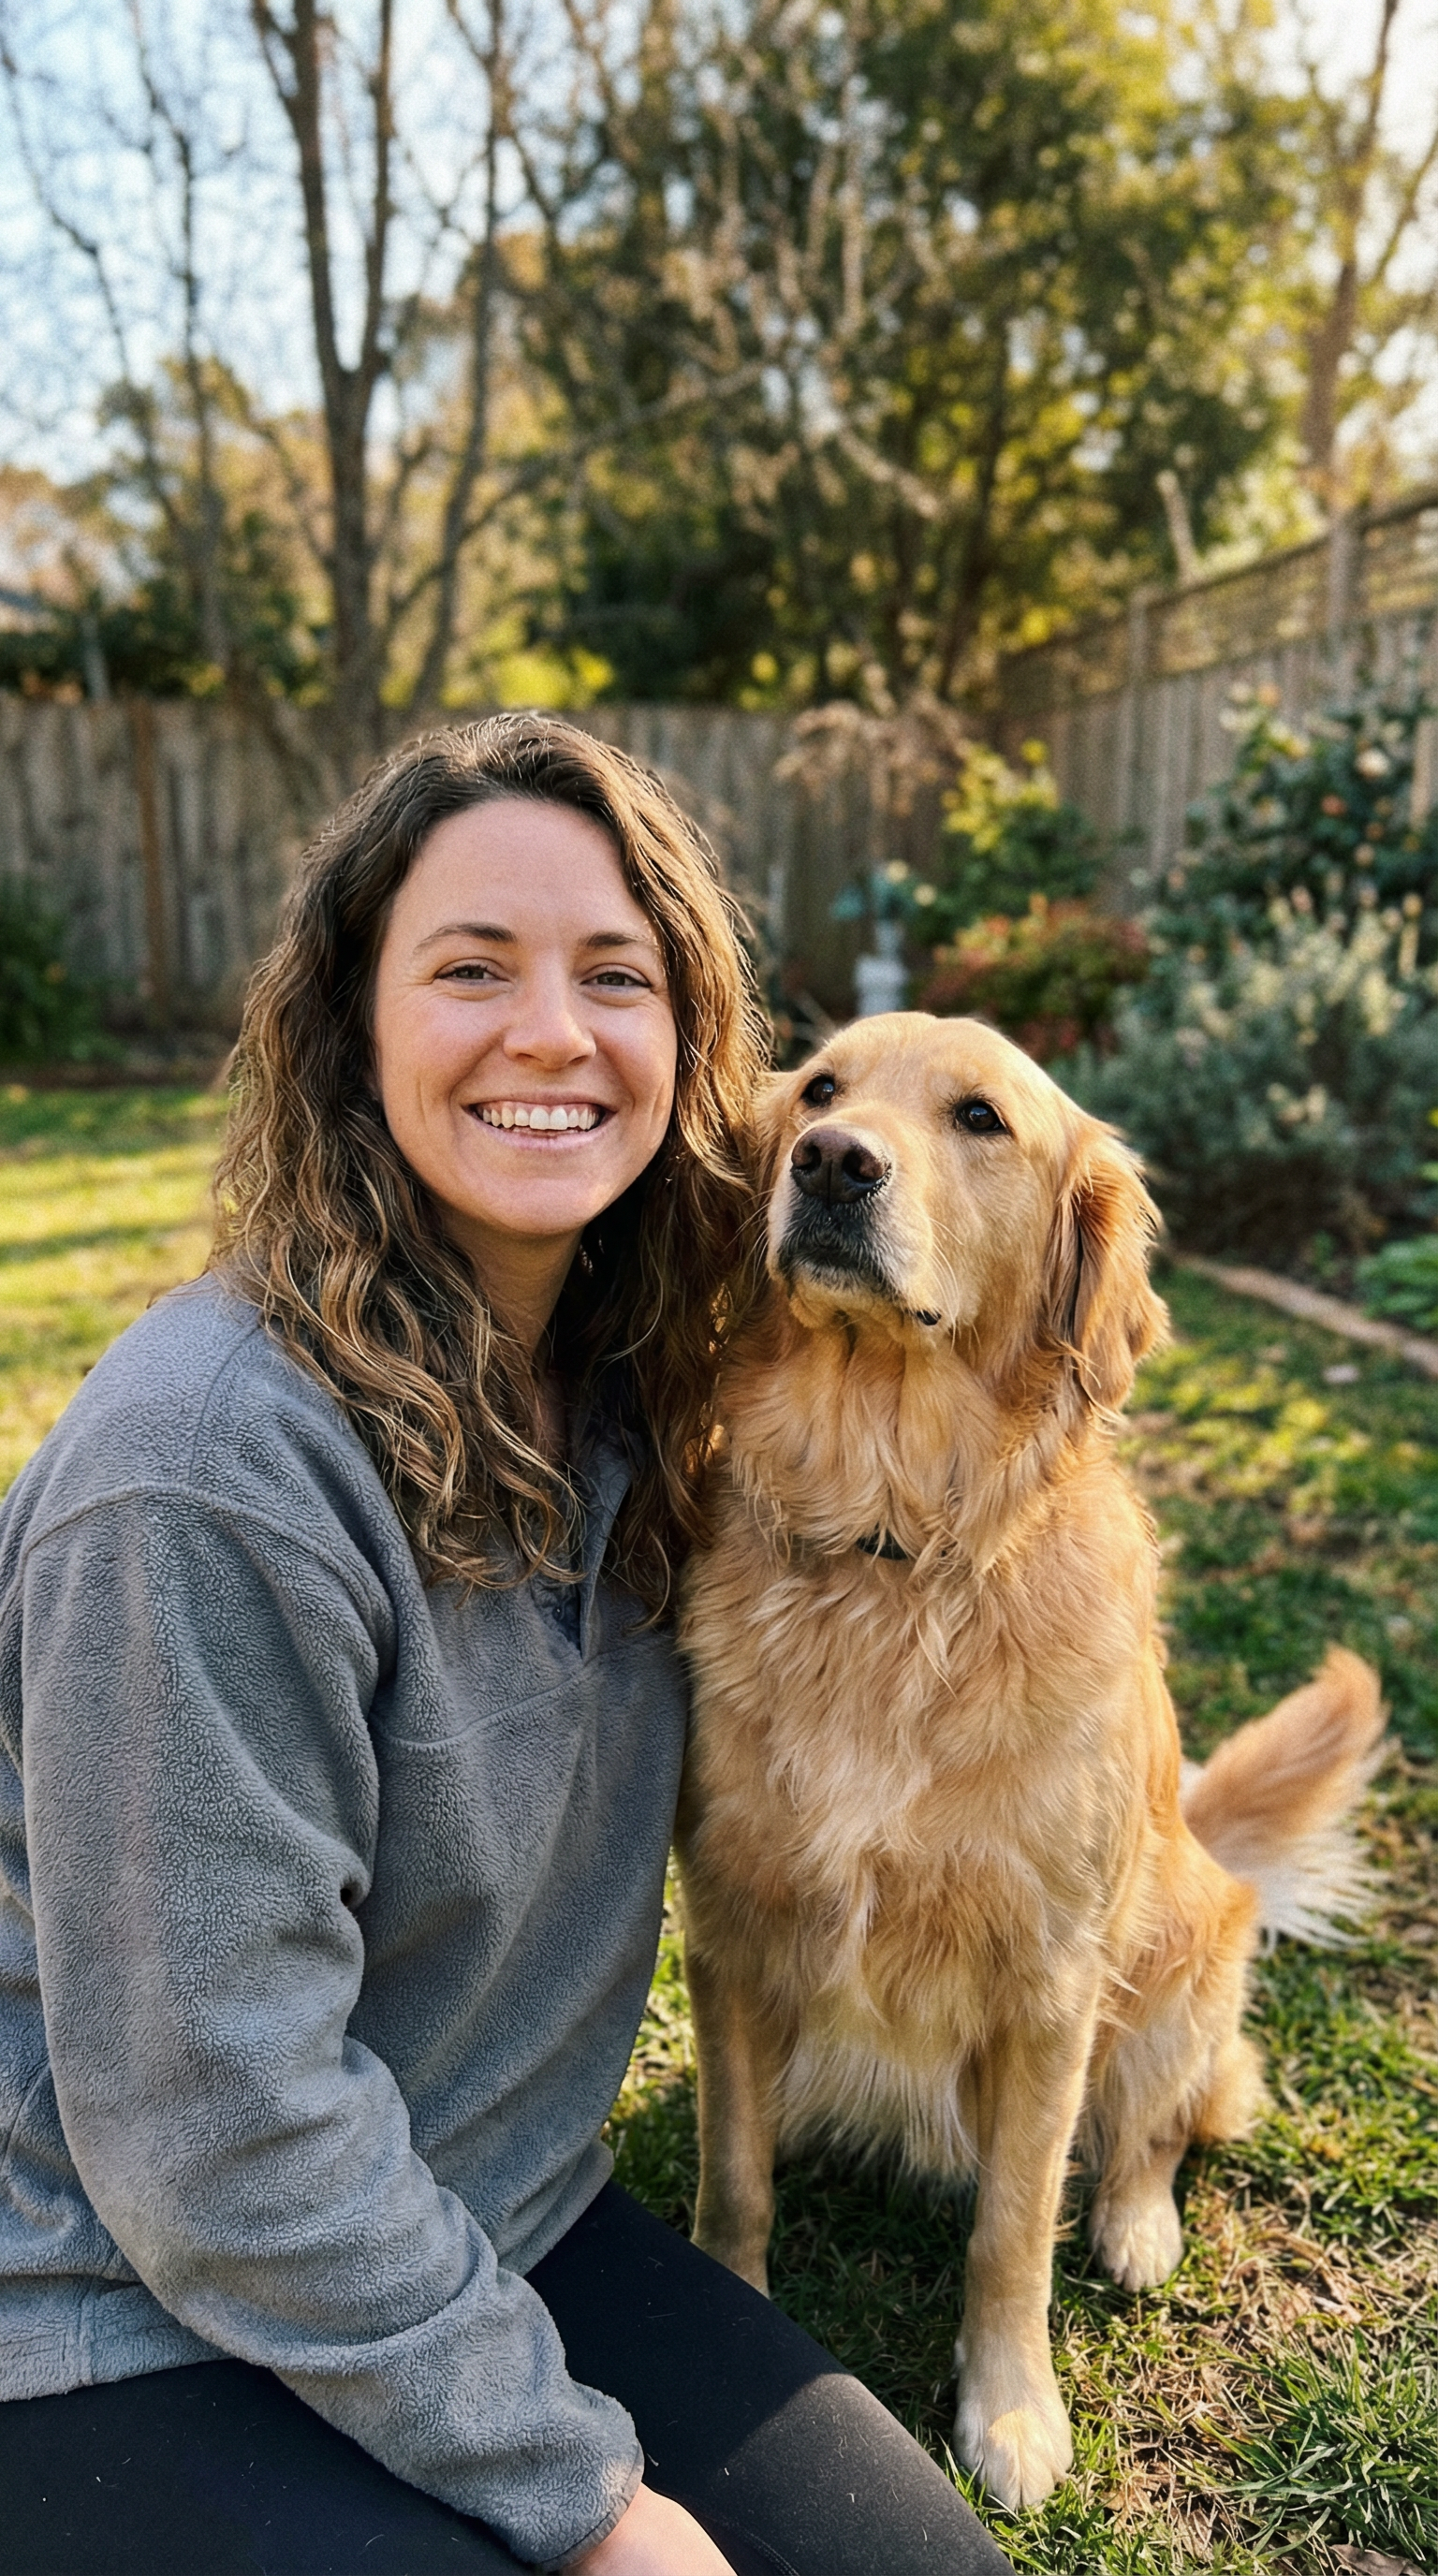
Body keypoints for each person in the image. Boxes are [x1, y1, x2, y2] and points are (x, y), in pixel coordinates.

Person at [0, 717, 1015, 2576]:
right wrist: (597, 2505)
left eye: (616, 976)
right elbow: (212, 2135)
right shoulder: (203, 1478)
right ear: (350, 1024)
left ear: (691, 1050)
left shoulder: (645, 1409)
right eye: (472, 968)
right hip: (119, 2302)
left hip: (502, 2208)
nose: (552, 1032)